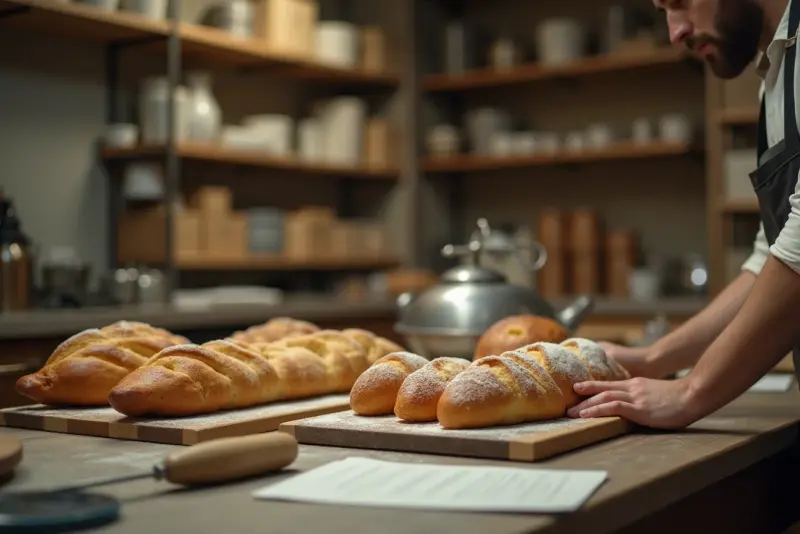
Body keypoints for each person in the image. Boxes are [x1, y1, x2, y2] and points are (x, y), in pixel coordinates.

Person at [567, 0, 800, 429]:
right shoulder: (776, 76)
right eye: (664, 13)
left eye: (680, 2)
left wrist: (692, 391)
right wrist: (654, 360)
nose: (676, 32)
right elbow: (770, 258)